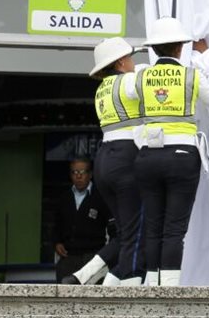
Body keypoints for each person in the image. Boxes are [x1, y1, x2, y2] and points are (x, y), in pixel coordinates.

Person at [129, 16, 209, 286]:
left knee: (153, 225)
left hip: (148, 155)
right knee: (174, 228)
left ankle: (151, 285)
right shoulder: (191, 76)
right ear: (180, 48)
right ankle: (170, 288)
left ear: (154, 48)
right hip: (182, 156)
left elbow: (128, 97)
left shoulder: (140, 76)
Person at [78, 36, 145, 286]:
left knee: (126, 232)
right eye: (129, 58)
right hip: (127, 156)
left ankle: (83, 277)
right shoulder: (128, 81)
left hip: (104, 157)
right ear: (120, 62)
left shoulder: (102, 89)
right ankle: (123, 288)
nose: (133, 62)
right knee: (136, 232)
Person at [54, 157, 114, 284]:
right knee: (65, 293)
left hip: (93, 257)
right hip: (68, 256)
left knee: (93, 294)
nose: (78, 176)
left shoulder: (101, 196)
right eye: (74, 172)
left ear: (90, 174)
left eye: (82, 172)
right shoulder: (64, 197)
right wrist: (57, 242)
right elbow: (57, 224)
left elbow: (112, 229)